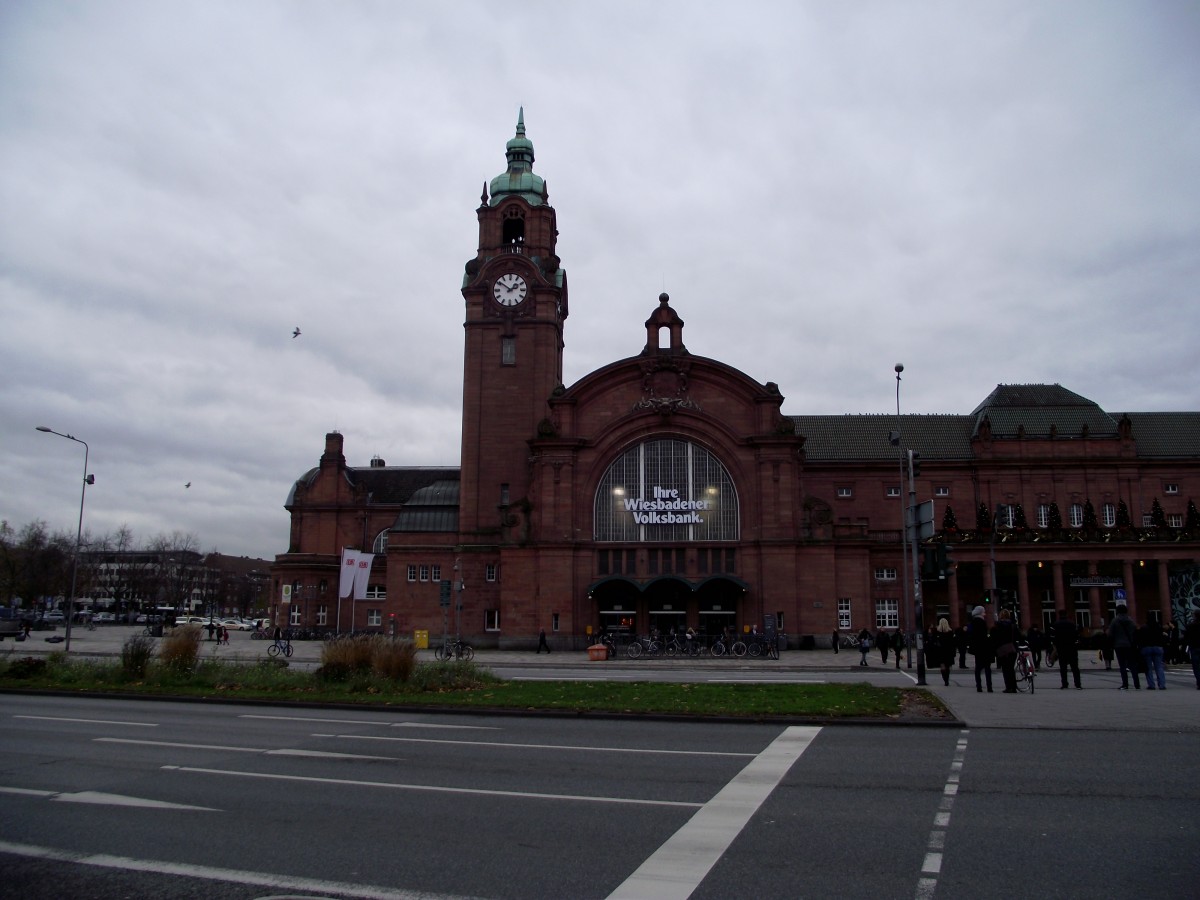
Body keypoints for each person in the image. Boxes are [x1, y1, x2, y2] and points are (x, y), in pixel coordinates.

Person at [1109, 604, 1141, 690]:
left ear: (1117, 611)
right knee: (1132, 665)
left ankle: (1125, 684)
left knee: (1122, 665)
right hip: (1129, 645)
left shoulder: (1115, 621)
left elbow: (1110, 634)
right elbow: (1135, 631)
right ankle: (1137, 684)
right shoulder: (1131, 621)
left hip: (1118, 645)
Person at [1050, 608, 1083, 690]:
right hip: (1072, 648)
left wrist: (1055, 648)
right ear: (1066, 614)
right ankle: (1078, 684)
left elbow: (1053, 638)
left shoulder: (1055, 625)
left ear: (1059, 615)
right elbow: (1077, 636)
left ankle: (1064, 684)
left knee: (1063, 668)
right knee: (1075, 667)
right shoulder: (1072, 624)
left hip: (1061, 648)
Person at [991, 608, 1020, 693]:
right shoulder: (1013, 625)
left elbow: (995, 638)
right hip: (1012, 649)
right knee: (1011, 669)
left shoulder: (998, 625)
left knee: (1005, 669)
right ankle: (1014, 687)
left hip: (1002, 650)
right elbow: (1018, 636)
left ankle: (1008, 687)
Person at [967, 605, 994, 693]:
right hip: (984, 648)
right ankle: (989, 687)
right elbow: (984, 635)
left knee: (978, 668)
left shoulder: (973, 622)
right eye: (983, 611)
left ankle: (979, 686)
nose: (985, 613)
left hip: (977, 649)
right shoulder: (981, 622)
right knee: (987, 668)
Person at [1137, 618, 1166, 690]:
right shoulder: (1158, 627)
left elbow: (1139, 638)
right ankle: (1162, 684)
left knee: (1148, 668)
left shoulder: (1144, 628)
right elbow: (1162, 637)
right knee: (1159, 667)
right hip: (1158, 647)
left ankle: (1151, 685)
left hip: (1147, 648)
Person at [929, 618, 954, 686]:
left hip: (940, 651)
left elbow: (933, 641)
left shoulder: (937, 632)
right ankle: (947, 679)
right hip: (948, 651)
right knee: (948, 666)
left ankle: (945, 680)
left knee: (942, 666)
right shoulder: (950, 632)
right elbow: (952, 643)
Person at [1184, 609, 1200, 690]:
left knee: (1196, 666)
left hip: (1194, 647)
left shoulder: (1190, 626)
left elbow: (1186, 637)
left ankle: (1199, 682)